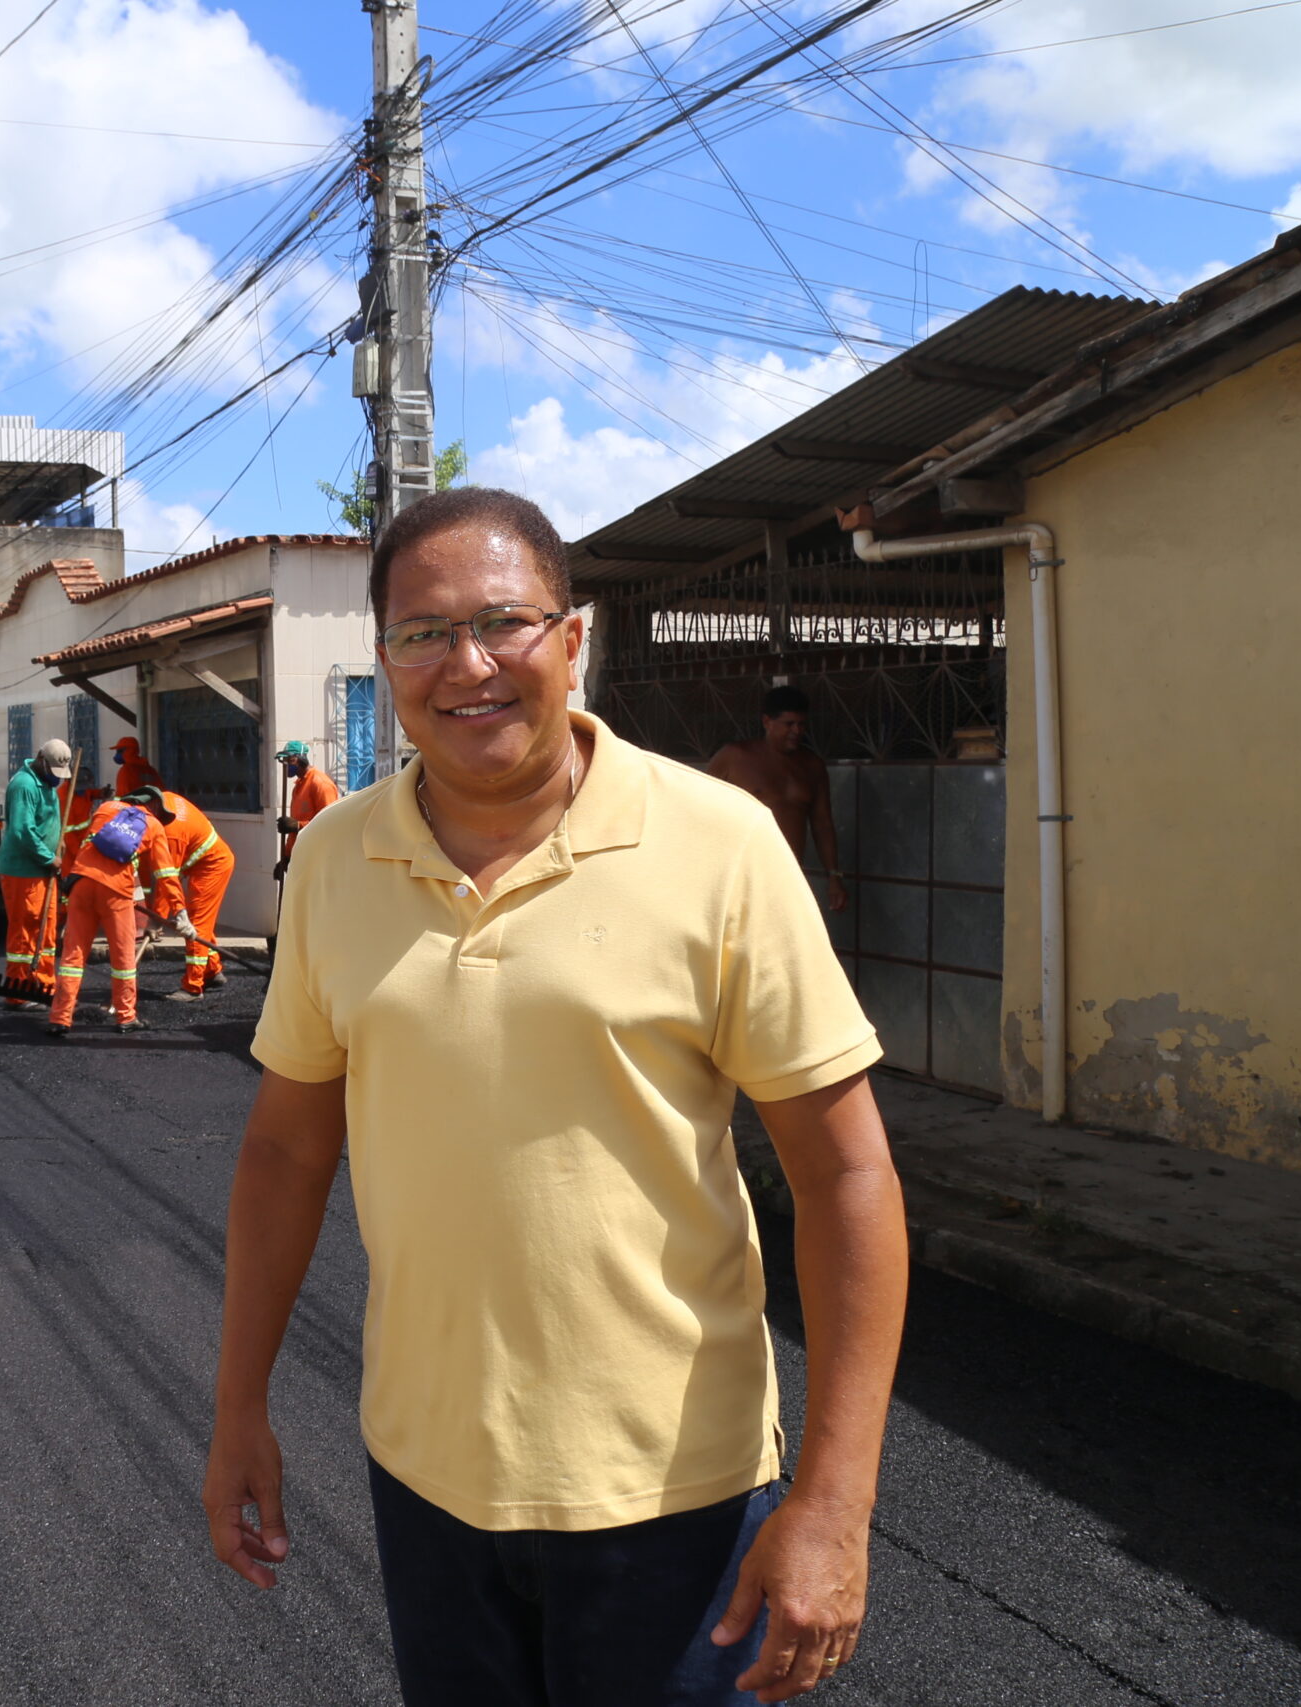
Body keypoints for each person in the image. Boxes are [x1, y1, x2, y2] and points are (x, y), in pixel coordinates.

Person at [204, 486, 907, 1707]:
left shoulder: (720, 843)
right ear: (384, 661)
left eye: (504, 623)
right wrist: (237, 1406)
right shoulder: (332, 860)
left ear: (572, 638)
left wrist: (836, 1506)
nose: (465, 665)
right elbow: (282, 1155)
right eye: (422, 633)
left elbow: (846, 1171)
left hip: (673, 1496)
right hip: (426, 1484)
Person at [48, 786, 183, 1037]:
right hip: (115, 891)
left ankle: (60, 1017)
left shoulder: (105, 808)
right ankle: (126, 1017)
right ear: (153, 806)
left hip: (81, 884)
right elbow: (165, 873)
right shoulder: (153, 825)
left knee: (73, 957)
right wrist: (180, 911)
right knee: (122, 958)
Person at [708, 686, 848, 912]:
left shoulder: (812, 766)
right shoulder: (735, 757)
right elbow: (704, 808)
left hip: (789, 874)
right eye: (789, 724)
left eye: (801, 724)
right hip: (740, 873)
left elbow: (822, 824)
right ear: (767, 721)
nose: (797, 731)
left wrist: (834, 875)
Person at [0, 737, 73, 1007]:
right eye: (54, 772)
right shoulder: (24, 785)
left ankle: (43, 985)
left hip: (42, 869)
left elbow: (47, 821)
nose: (58, 779)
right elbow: (21, 831)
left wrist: (58, 843)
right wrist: (48, 857)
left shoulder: (46, 782)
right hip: (23, 871)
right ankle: (18, 992)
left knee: (46, 928)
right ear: (41, 761)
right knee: (26, 931)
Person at [155, 786, 235, 1001]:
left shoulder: (171, 836)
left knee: (196, 924)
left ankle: (193, 986)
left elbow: (168, 880)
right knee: (203, 923)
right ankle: (213, 971)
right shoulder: (166, 799)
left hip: (212, 867)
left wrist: (156, 921)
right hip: (204, 862)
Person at [275, 739, 340, 856]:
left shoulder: (320, 784)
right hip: (300, 856)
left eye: (289, 760)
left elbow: (330, 824)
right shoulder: (299, 786)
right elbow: (293, 834)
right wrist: (286, 856)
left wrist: (298, 826)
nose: (286, 765)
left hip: (315, 858)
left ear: (300, 759)